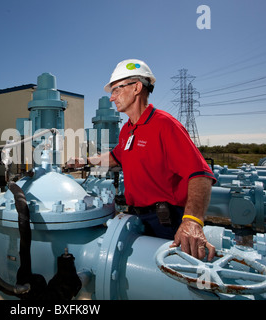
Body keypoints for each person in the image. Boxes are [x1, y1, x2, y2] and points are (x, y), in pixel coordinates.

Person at [68, 59, 217, 261]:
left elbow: (201, 175)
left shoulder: (164, 125)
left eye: (116, 90)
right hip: (137, 218)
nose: (112, 98)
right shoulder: (127, 129)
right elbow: (115, 157)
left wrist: (192, 221)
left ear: (137, 87)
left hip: (166, 222)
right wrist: (85, 161)